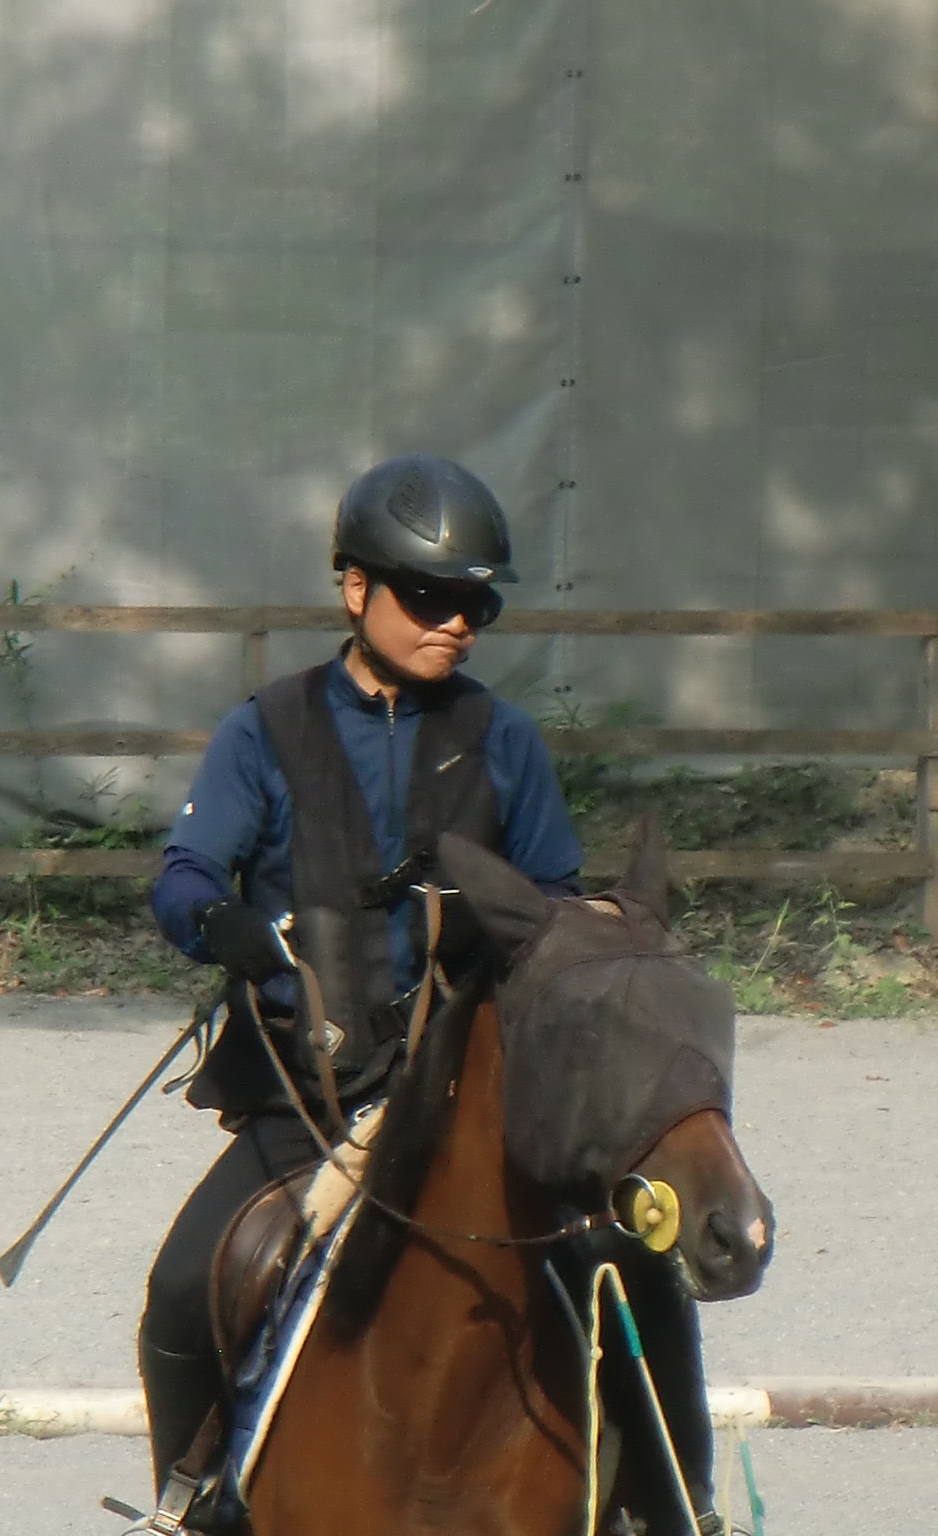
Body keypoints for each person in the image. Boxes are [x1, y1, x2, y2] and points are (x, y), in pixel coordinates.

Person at [140, 452, 721, 1533]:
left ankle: (676, 1512)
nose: (455, 622)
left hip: (471, 1102)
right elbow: (184, 875)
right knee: (183, 1283)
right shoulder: (264, 730)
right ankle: (192, 1505)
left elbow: (554, 914)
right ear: (355, 588)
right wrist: (220, 923)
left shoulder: (505, 743)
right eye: (427, 596)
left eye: (475, 605)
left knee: (637, 1265)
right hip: (311, 1096)